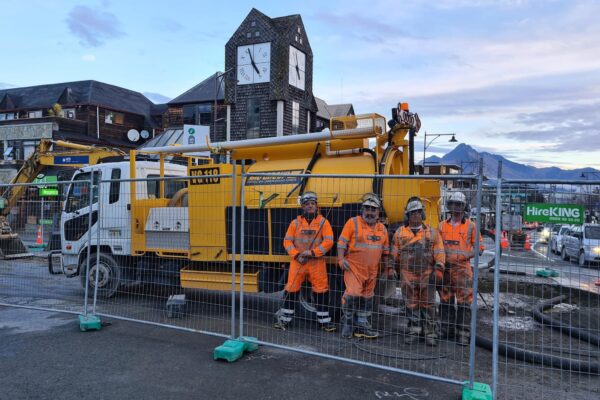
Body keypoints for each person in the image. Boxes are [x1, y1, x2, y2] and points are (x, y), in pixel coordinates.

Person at [275, 191, 336, 332]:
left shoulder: (323, 222)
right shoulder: (295, 223)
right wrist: (296, 255)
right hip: (298, 262)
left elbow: (329, 241)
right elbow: (287, 241)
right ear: (302, 207)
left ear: (316, 206)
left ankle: (324, 322)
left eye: (312, 204)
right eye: (307, 204)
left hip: (316, 262)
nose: (310, 206)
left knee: (321, 292)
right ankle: (284, 320)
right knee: (291, 289)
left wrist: (313, 252)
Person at [337, 193, 392, 339]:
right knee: (352, 294)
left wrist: (387, 269)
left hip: (372, 271)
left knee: (368, 297)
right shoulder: (353, 222)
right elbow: (341, 243)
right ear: (362, 210)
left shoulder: (383, 229)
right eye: (367, 208)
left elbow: (386, 253)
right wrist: (341, 260)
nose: (370, 212)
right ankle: (348, 323)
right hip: (354, 268)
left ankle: (362, 325)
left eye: (373, 209)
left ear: (378, 212)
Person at [392, 197, 445, 346]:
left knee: (429, 305)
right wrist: (391, 268)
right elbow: (393, 254)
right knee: (411, 305)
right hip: (407, 276)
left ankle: (430, 333)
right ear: (407, 215)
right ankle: (414, 331)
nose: (415, 215)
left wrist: (439, 268)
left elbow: (440, 252)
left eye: (418, 212)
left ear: (423, 214)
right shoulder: (400, 233)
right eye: (412, 212)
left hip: (427, 276)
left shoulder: (432, 233)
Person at [438, 191, 477, 346]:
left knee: (464, 302)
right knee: (445, 299)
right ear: (449, 206)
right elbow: (437, 246)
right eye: (453, 203)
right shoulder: (442, 226)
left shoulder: (471, 226)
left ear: (464, 207)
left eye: (459, 204)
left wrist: (465, 256)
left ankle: (463, 333)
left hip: (462, 269)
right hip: (446, 269)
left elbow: (478, 248)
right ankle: (445, 329)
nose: (456, 207)